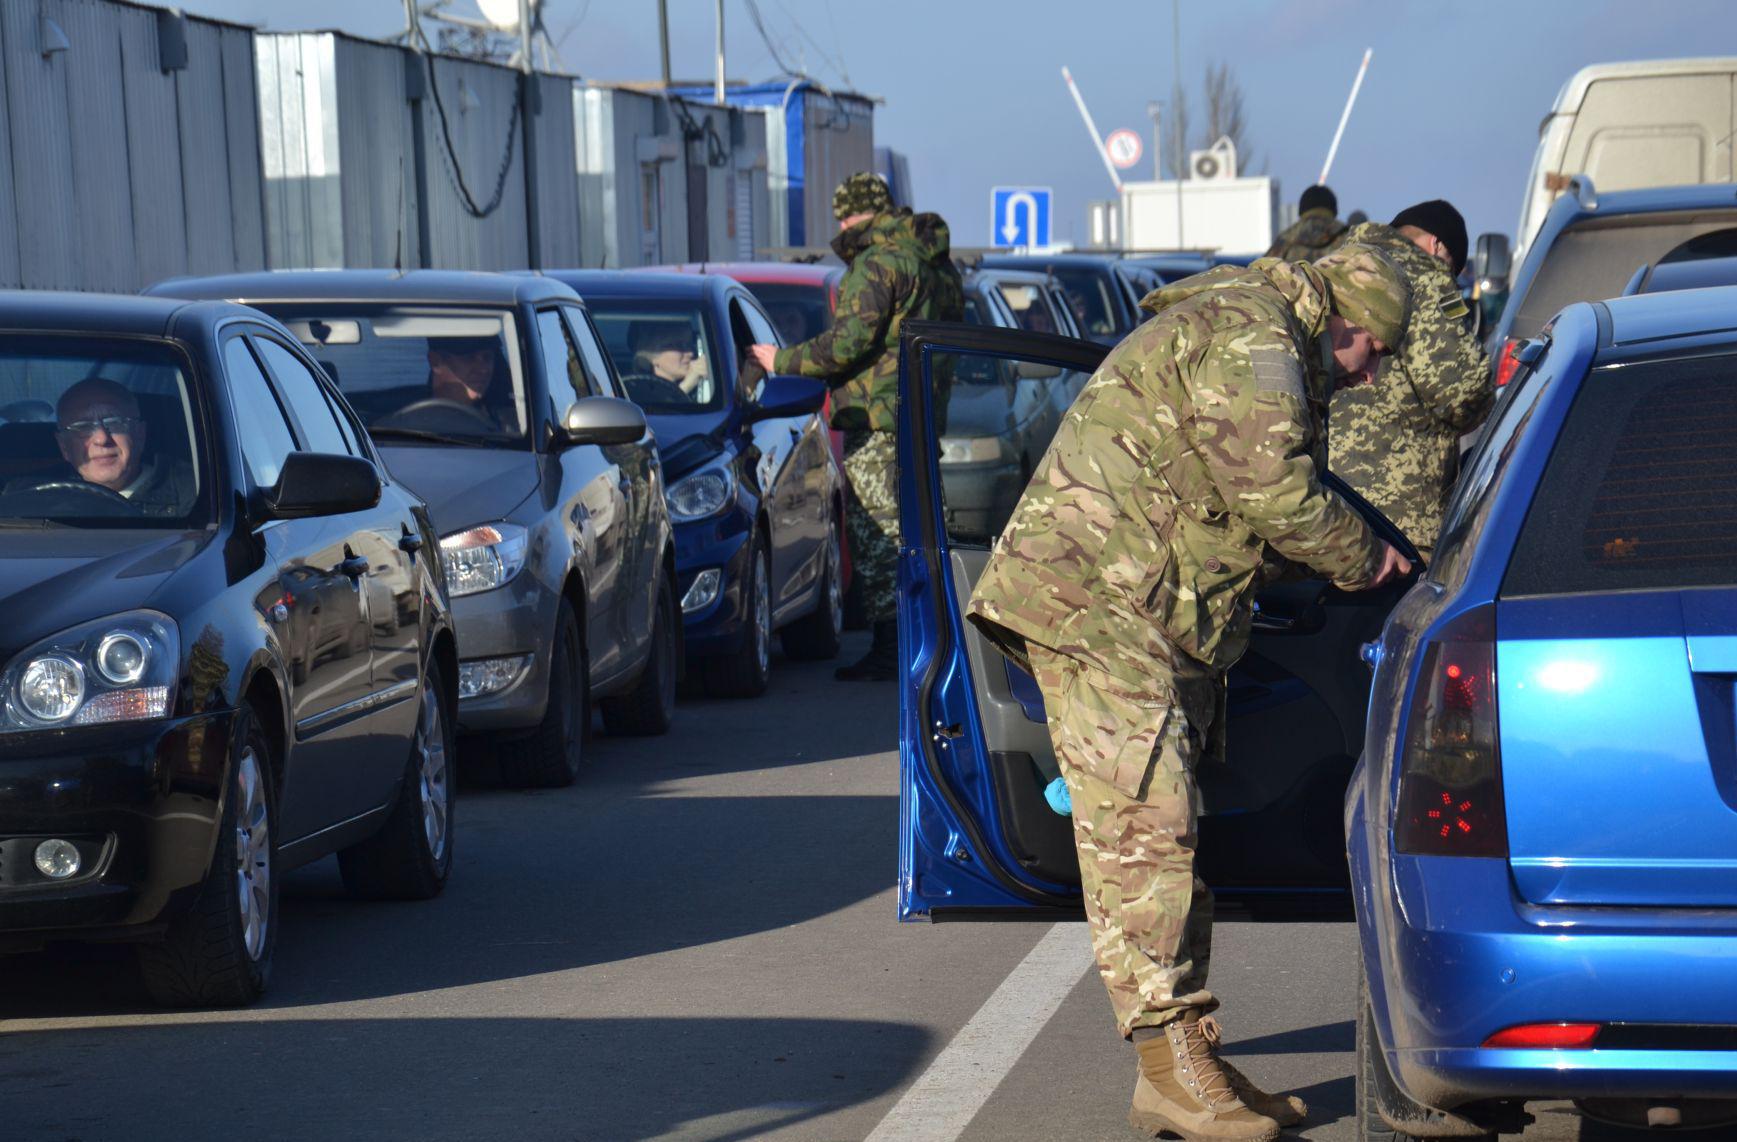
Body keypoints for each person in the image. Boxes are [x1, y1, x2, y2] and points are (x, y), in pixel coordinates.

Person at [966, 246, 1415, 1142]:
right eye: (1374, 356)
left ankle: (1188, 1058)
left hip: (1136, 607)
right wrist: (1372, 562)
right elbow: (1274, 492)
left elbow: (1231, 487)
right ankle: (1171, 1072)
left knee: (1169, 833)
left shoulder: (1252, 326)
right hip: (1097, 604)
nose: (1368, 379)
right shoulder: (1258, 341)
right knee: (1146, 833)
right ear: (1352, 329)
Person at [748, 172, 964, 681]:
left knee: (875, 532)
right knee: (920, 529)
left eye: (842, 216)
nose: (840, 225)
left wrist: (781, 360)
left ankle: (893, 647)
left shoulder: (876, 265)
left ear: (853, 214)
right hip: (921, 413)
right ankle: (932, 637)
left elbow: (847, 345)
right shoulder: (933, 262)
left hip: (878, 417)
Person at [1328, 200, 1494, 561]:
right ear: (1438, 246)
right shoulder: (1426, 277)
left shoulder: (1340, 265)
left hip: (1326, 509)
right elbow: (1462, 392)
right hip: (1399, 518)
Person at [50, 377, 194, 514]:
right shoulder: (44, 503)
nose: (102, 439)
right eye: (82, 427)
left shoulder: (195, 496)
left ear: (140, 434)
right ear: (64, 447)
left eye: (114, 422)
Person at [425, 335, 517, 430]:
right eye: (469, 358)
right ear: (435, 361)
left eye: (487, 357)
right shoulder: (410, 430)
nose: (483, 369)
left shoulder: (513, 425)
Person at [622, 322, 710, 404]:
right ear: (652, 355)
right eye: (678, 346)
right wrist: (687, 386)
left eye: (689, 345)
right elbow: (654, 414)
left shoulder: (701, 387)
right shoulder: (634, 390)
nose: (690, 353)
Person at [1266, 184, 1347, 262]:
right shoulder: (1347, 234)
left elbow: (1262, 270)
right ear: (1334, 210)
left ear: (1301, 210)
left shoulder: (1286, 239)